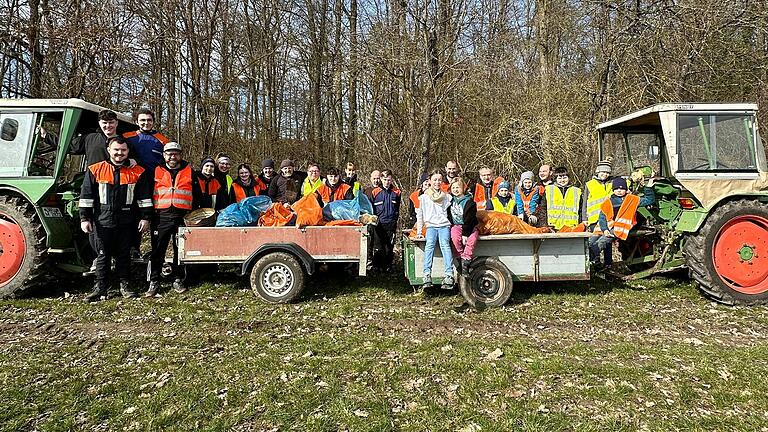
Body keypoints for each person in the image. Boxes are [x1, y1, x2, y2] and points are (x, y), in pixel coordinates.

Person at [78, 136, 153, 302]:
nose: (120, 153)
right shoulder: (95, 169)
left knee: (124, 254)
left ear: (128, 152)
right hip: (102, 221)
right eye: (116, 150)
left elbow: (144, 197)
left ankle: (125, 285)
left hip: (127, 221)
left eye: (123, 150)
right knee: (102, 255)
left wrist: (146, 217)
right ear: (109, 150)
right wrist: (85, 218)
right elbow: (86, 196)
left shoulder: (137, 171)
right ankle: (100, 287)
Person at [146, 142, 201, 296]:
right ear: (164, 155)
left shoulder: (190, 171)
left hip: (182, 218)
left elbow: (197, 195)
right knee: (157, 251)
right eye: (169, 153)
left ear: (180, 155)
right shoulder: (156, 171)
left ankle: (178, 279)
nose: (172, 156)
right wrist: (148, 215)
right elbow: (148, 194)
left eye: (175, 153)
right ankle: (154, 281)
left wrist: (194, 215)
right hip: (160, 217)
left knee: (180, 250)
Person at [589, 176, 656, 268]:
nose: (619, 191)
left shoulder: (632, 200)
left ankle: (590, 259)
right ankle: (591, 259)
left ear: (626, 189)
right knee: (590, 241)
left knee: (602, 242)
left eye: (622, 188)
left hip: (621, 227)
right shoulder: (608, 202)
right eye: (616, 188)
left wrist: (648, 187)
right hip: (608, 226)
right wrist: (605, 229)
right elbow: (602, 218)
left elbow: (649, 200)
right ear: (613, 190)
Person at [415, 170, 454, 289]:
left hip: (443, 225)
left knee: (445, 245)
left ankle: (449, 275)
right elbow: (420, 215)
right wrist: (419, 231)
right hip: (431, 226)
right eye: (435, 180)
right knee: (430, 245)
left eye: (439, 180)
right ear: (430, 181)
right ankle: (426, 274)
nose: (437, 182)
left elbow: (451, 213)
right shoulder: (423, 198)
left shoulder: (447, 197)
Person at [370, 169, 401, 272]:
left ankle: (388, 267)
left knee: (389, 247)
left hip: (391, 223)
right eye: (385, 180)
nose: (387, 182)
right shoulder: (375, 192)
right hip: (379, 224)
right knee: (378, 246)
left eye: (389, 180)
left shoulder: (396, 192)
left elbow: (397, 208)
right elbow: (371, 209)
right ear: (381, 180)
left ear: (391, 180)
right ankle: (376, 267)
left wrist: (395, 220)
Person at [448, 177, 479, 276]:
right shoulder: (449, 201)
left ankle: (466, 259)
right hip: (456, 225)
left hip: (469, 226)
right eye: (453, 188)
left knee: (472, 238)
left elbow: (470, 219)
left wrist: (465, 234)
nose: (456, 190)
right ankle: (460, 257)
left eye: (458, 187)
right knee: (455, 238)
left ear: (463, 189)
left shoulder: (469, 202)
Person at [543, 166, 582, 230]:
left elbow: (580, 210)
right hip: (553, 228)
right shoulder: (549, 189)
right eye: (560, 178)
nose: (562, 180)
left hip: (572, 228)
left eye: (565, 177)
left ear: (569, 178)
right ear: (556, 179)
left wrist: (580, 225)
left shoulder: (576, 191)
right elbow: (543, 209)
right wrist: (545, 226)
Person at [582, 159, 613, 228]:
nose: (605, 174)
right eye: (603, 172)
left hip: (609, 219)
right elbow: (585, 204)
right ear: (598, 171)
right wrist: (584, 218)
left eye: (607, 173)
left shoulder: (612, 183)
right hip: (594, 220)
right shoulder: (590, 184)